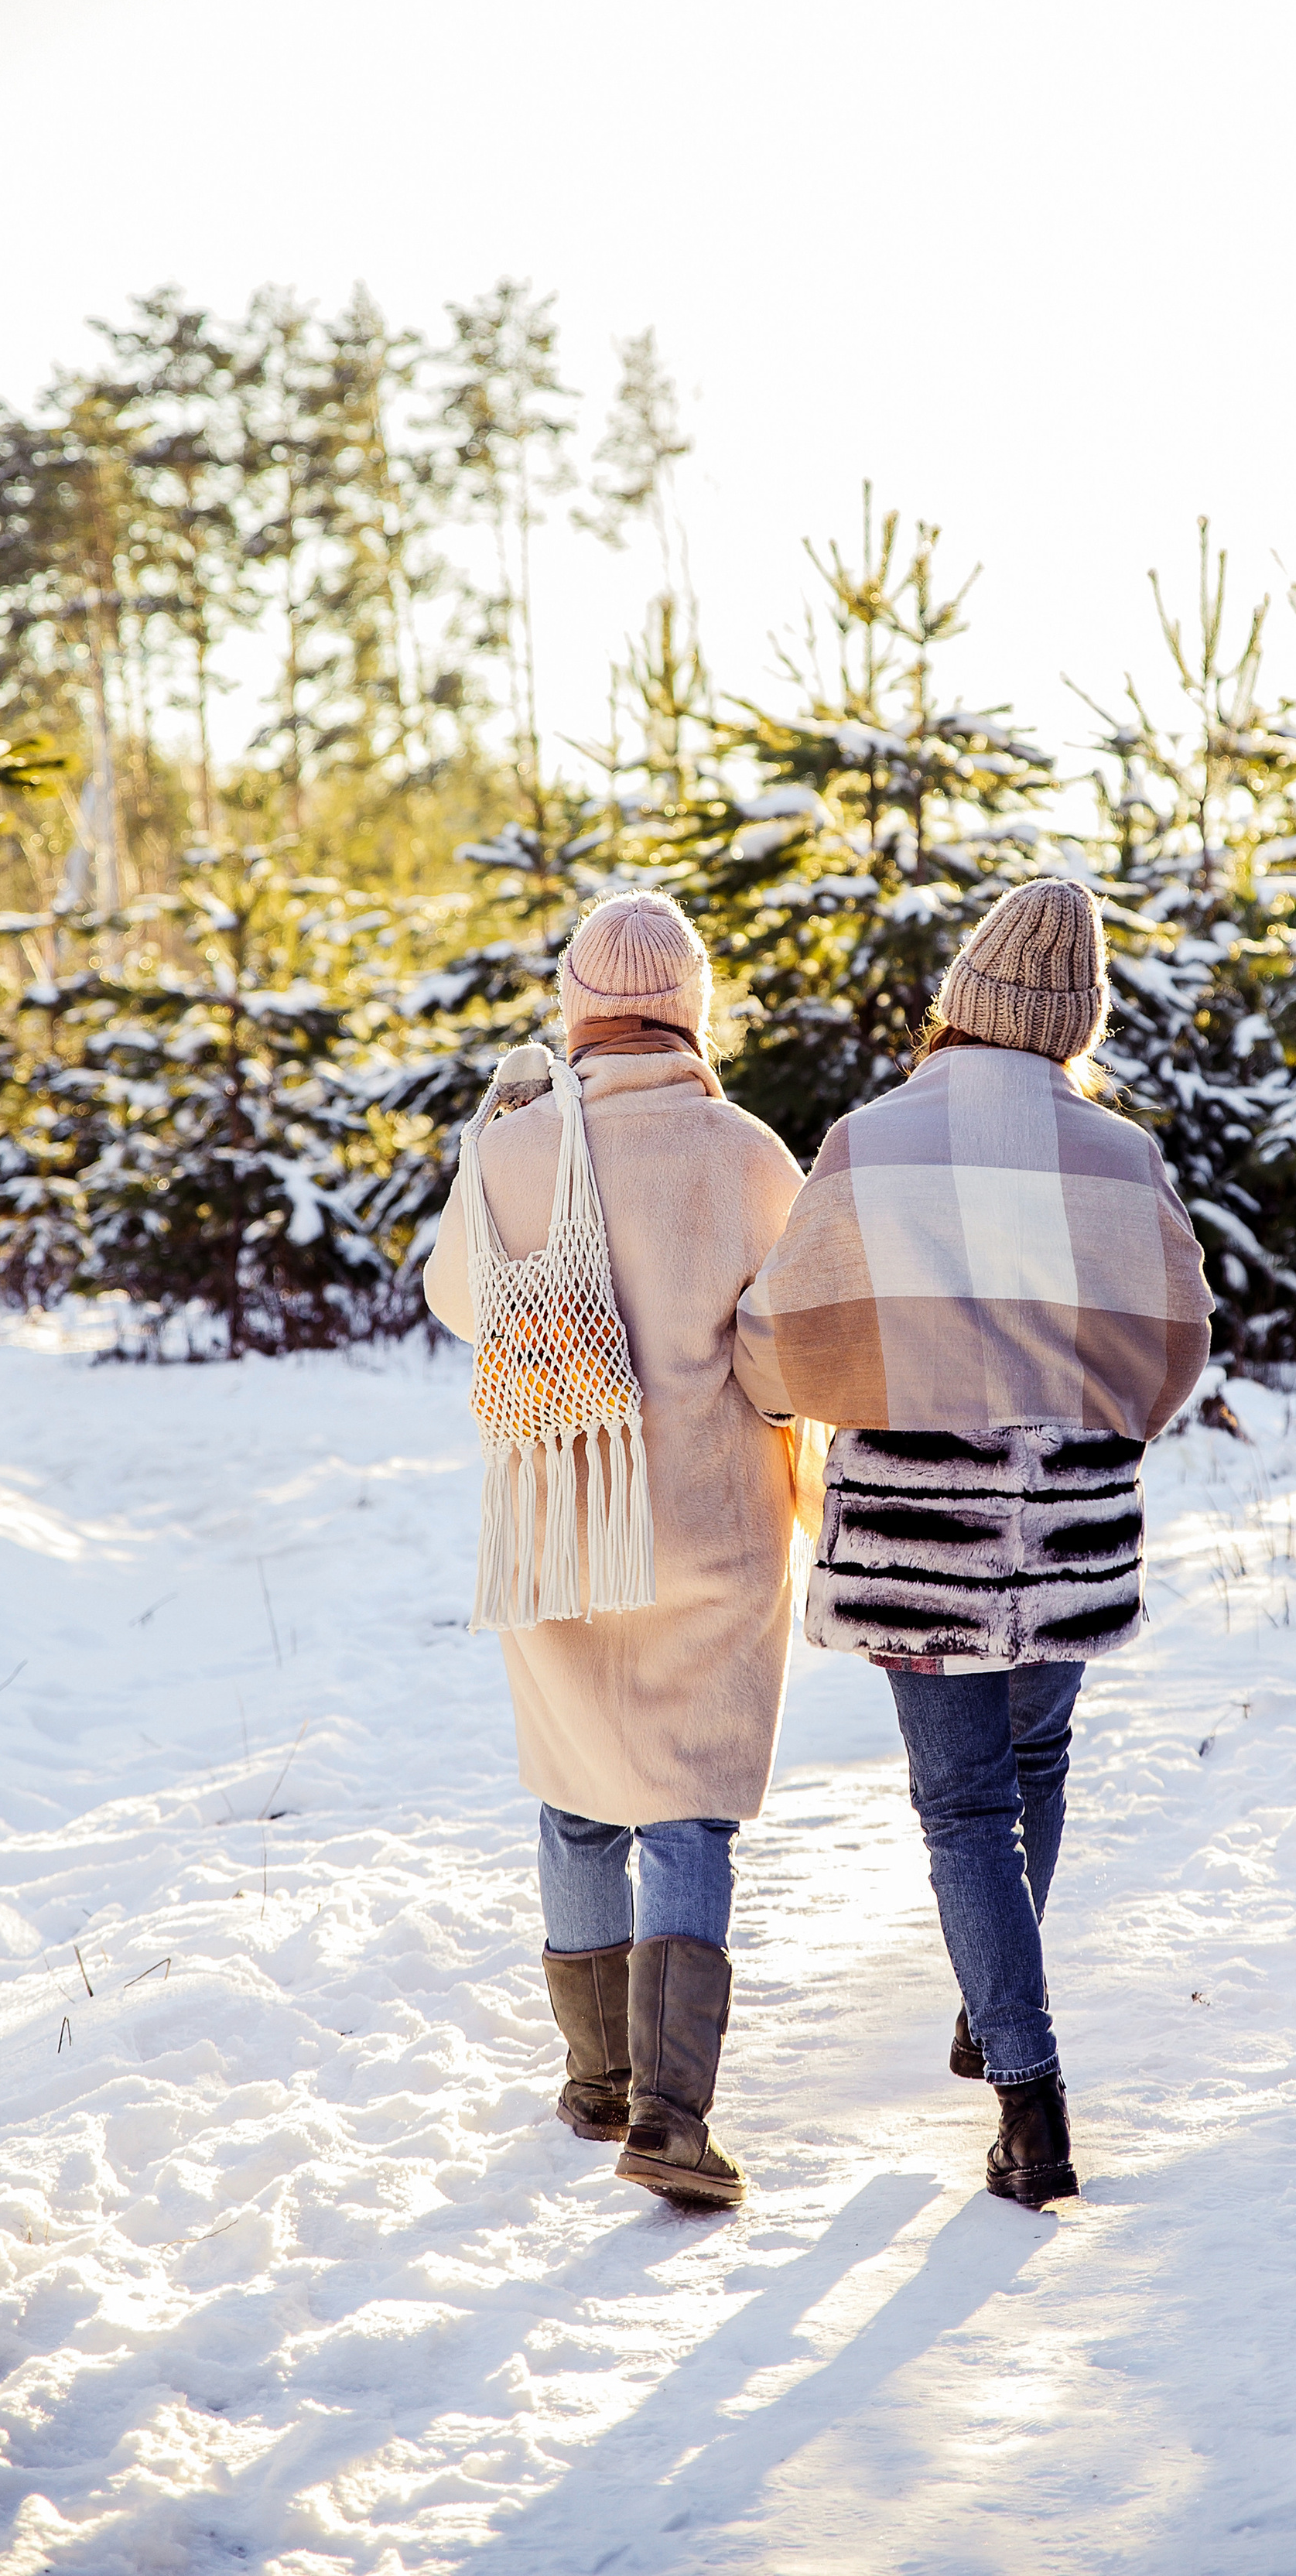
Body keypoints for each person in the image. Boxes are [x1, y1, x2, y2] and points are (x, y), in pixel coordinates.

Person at [733, 877, 1212, 2208]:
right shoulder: (1120, 1155)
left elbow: (783, 1337)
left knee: (962, 1810)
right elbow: (1176, 1348)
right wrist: (1092, 1417)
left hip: (918, 1533)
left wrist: (821, 1393)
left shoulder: (872, 1142)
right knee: (1036, 1762)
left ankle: (1029, 2097)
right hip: (1067, 1522)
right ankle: (1000, 2006)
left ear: (962, 1004)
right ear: (1073, 1022)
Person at [424, 890, 812, 2208]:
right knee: (688, 1802)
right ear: (690, 1011)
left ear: (581, 1009)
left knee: (581, 1792)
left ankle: (594, 2083)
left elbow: (455, 1301)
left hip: (561, 1521)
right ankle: (672, 2116)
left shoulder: (520, 1143)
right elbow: (790, 1338)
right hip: (714, 1526)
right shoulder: (748, 1150)